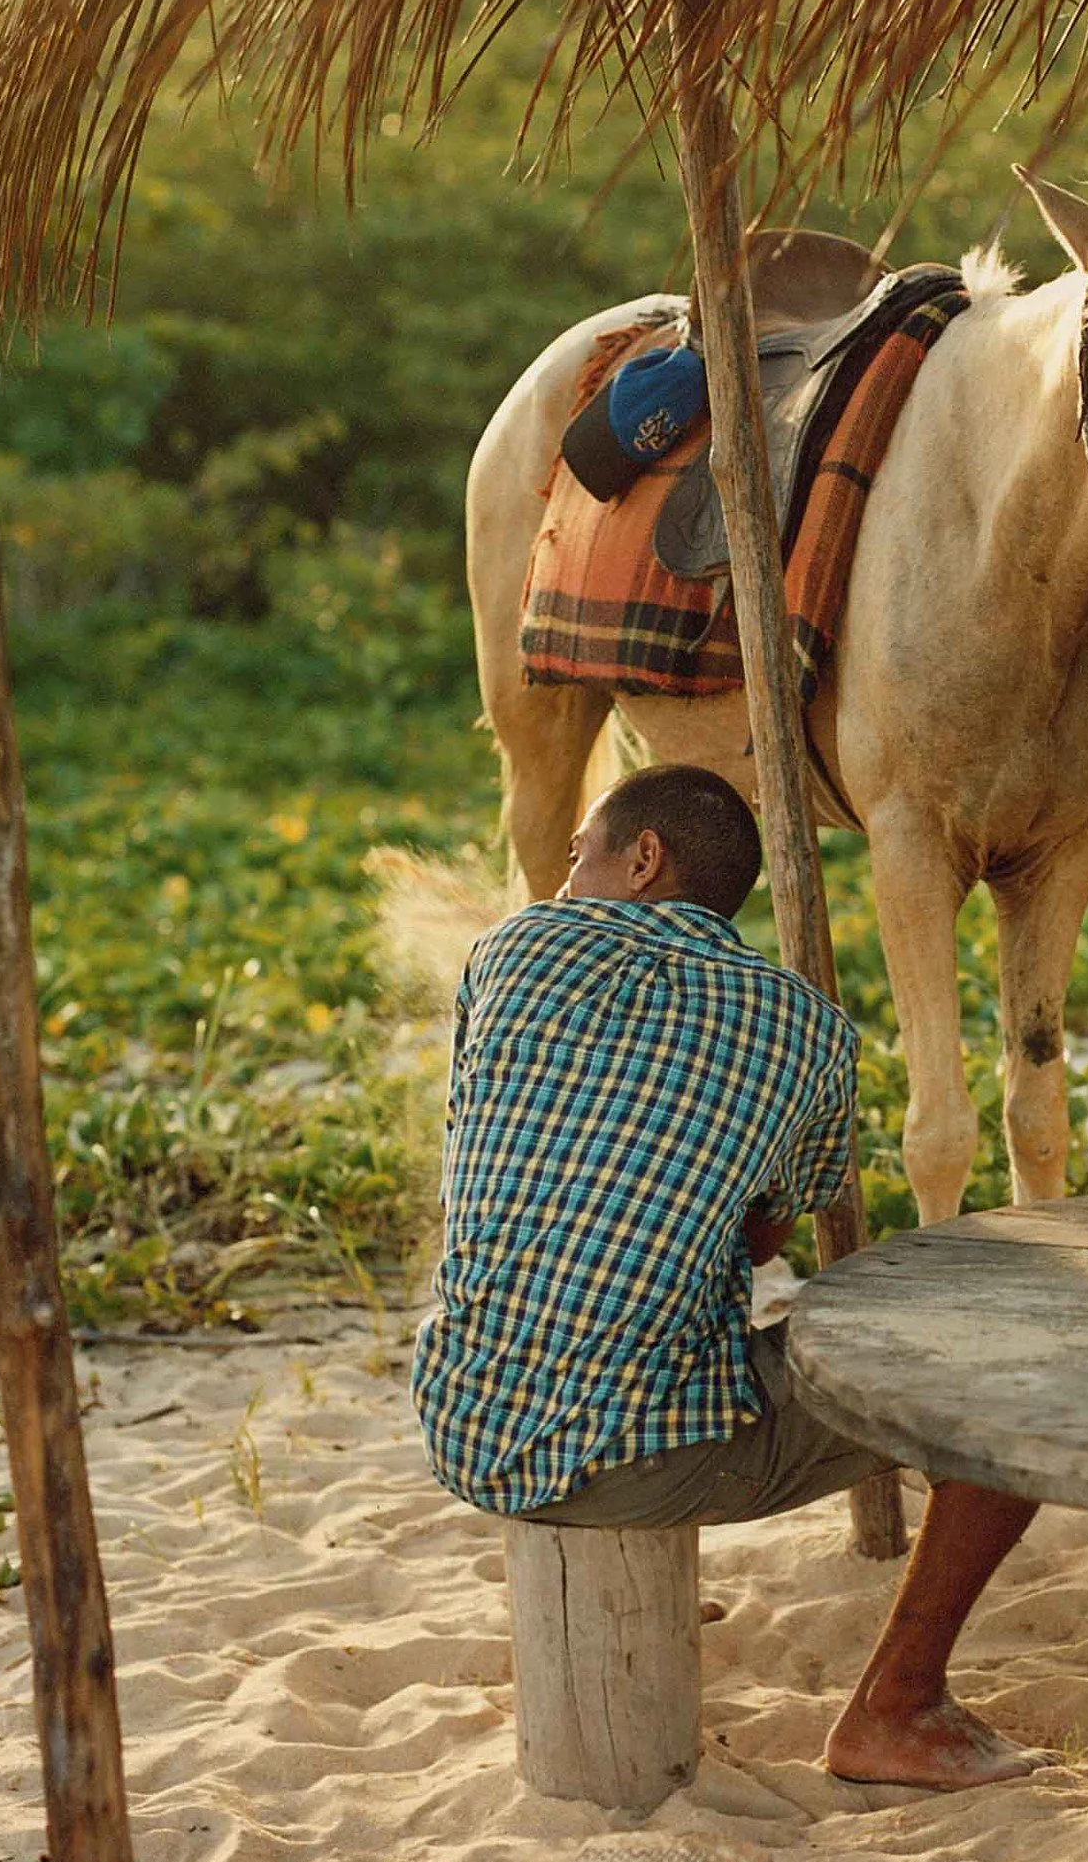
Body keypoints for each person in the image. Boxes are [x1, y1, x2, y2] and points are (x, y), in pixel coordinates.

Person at [411, 761, 1038, 1788]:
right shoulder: (808, 1029)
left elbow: (480, 1154)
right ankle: (896, 1707)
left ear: (642, 861)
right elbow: (763, 1237)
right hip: (637, 1459)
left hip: (462, 1414)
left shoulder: (512, 949)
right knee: (1013, 1385)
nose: (565, 879)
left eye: (576, 856)